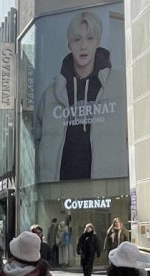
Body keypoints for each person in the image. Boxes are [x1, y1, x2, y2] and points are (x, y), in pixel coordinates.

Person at [33, 10, 127, 182]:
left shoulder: (121, 85)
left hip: (110, 189)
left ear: (98, 42)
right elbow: (36, 144)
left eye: (90, 38)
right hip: (57, 194)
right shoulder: (50, 95)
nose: (83, 46)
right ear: (69, 44)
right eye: (77, 39)